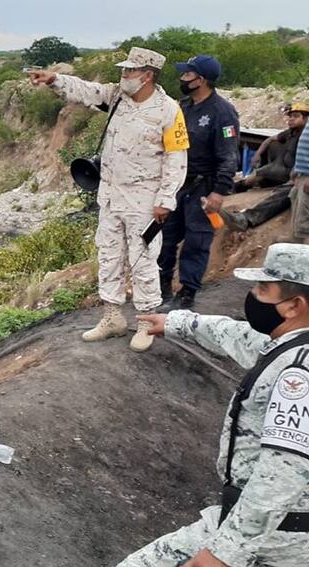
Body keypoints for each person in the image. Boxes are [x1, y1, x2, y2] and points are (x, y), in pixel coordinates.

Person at [116, 243, 309, 567]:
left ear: (293, 305)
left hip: (277, 534)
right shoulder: (289, 348)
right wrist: (178, 323)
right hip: (300, 545)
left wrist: (224, 551)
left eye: (264, 292)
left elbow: (283, 474)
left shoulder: (299, 374)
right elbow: (236, 335)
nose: (253, 299)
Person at [30, 47, 189, 352]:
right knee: (109, 256)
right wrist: (53, 79)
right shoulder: (117, 96)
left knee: (143, 260)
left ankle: (145, 322)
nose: (124, 75)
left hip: (144, 200)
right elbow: (86, 91)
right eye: (123, 70)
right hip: (111, 195)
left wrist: (166, 200)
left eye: (129, 71)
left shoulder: (168, 110)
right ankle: (112, 317)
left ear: (147, 75)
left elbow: (176, 158)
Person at [157, 55, 240, 313]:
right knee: (166, 240)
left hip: (203, 188)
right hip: (176, 184)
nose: (182, 78)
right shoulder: (183, 107)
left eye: (187, 75)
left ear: (200, 80)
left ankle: (187, 295)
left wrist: (219, 192)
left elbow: (229, 156)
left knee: (196, 241)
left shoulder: (222, 112)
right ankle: (162, 291)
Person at [224, 103, 307, 232]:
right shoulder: (291, 133)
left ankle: (247, 219)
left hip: (295, 174)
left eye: (296, 116)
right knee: (264, 179)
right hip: (291, 172)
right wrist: (257, 154)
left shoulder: (304, 134)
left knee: (284, 193)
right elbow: (270, 139)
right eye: (290, 116)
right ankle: (235, 189)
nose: (291, 119)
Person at [293, 113, 309, 243]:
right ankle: (296, 237)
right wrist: (299, 172)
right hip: (303, 173)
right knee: (295, 197)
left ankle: (303, 244)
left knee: (305, 209)